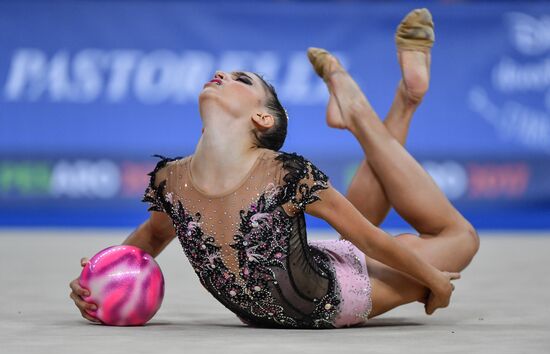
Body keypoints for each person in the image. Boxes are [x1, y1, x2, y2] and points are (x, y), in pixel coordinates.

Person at [69, 8, 479, 329]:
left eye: (240, 79)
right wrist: (100, 280)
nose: (222, 75)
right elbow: (151, 236)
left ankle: (367, 108)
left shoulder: (286, 174)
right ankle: (391, 103)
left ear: (262, 120)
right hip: (292, 287)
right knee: (354, 238)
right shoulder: (171, 180)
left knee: (462, 239)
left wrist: (435, 280)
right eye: (225, 74)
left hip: (329, 300)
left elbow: (370, 240)